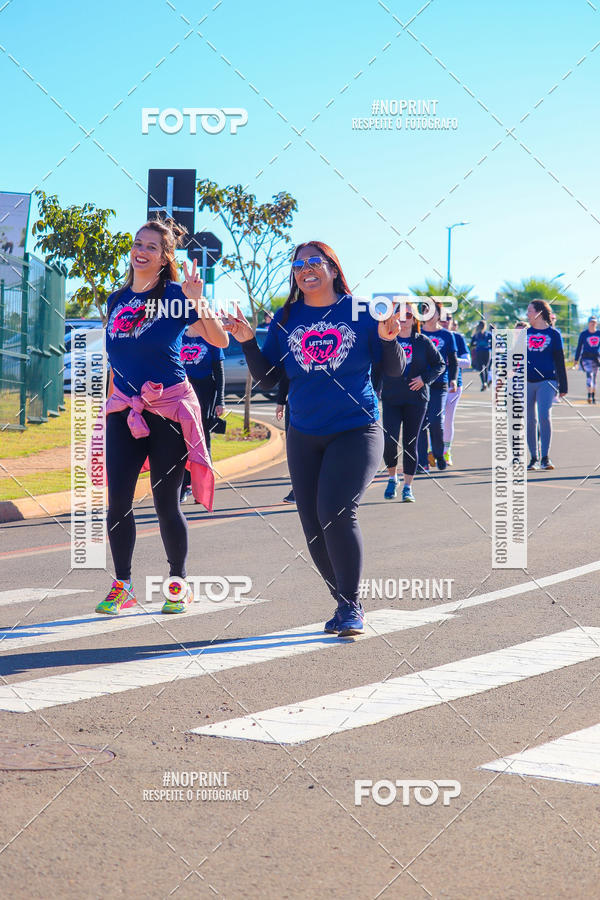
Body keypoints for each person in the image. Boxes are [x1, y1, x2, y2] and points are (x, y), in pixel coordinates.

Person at [223, 240, 405, 638]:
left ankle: (353, 605)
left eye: (314, 262)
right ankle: (342, 604)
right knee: (313, 524)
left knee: (337, 510)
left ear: (333, 268)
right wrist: (249, 341)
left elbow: (393, 371)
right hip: (303, 433)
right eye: (298, 264)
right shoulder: (288, 317)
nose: (305, 269)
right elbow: (272, 381)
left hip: (356, 427)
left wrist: (390, 339)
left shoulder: (361, 312)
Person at [96, 218, 228, 616]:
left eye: (152, 246)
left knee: (165, 500)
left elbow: (219, 339)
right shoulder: (116, 299)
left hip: (168, 409)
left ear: (165, 256)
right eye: (138, 243)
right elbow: (118, 357)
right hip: (125, 409)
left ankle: (178, 582)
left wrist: (197, 299)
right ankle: (123, 584)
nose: (142, 251)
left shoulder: (175, 295)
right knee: (117, 499)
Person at [373, 301, 444, 501]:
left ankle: (408, 487)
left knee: (410, 443)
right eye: (400, 316)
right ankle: (392, 478)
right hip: (391, 398)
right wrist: (374, 390)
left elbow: (440, 364)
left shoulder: (422, 341)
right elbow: (376, 368)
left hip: (416, 400)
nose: (404, 320)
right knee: (390, 441)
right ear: (394, 317)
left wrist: (424, 379)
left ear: (414, 320)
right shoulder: (386, 340)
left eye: (409, 316)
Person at [179, 330, 225, 502]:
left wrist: (220, 400)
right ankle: (185, 485)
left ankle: (203, 488)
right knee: (183, 439)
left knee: (203, 439)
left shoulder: (211, 337)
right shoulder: (179, 335)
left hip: (206, 392)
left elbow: (219, 371)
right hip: (183, 391)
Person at [526, 299, 568, 470]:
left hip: (547, 381)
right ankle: (533, 458)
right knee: (530, 420)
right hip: (527, 382)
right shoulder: (524, 334)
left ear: (539, 313)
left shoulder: (554, 334)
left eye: (530, 311)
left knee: (544, 416)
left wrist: (563, 386)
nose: (527, 314)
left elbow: (560, 360)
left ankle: (545, 457)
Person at [417, 301, 458, 472]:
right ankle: (422, 462)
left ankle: (439, 454)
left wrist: (453, 379)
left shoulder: (447, 336)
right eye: (426, 311)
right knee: (419, 423)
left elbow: (453, 361)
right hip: (418, 384)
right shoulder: (417, 333)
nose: (429, 314)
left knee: (435, 421)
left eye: (433, 311)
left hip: (439, 384)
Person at [441, 314, 470, 465]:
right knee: (432, 420)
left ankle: (446, 451)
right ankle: (433, 450)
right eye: (441, 318)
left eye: (448, 318)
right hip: (431, 384)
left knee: (447, 420)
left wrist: (453, 360)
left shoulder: (457, 338)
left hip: (453, 385)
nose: (445, 322)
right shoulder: (429, 335)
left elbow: (468, 362)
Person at [275, 371, 295, 503]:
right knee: (294, 449)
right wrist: (281, 401)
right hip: (295, 403)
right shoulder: (292, 350)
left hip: (324, 403)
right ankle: (298, 490)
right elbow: (286, 372)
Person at [574, 316, 600, 404]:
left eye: (594, 322)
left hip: (596, 358)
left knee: (594, 377)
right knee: (590, 375)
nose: (593, 324)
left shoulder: (599, 333)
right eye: (591, 322)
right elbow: (579, 347)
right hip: (586, 358)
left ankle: (593, 396)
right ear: (588, 323)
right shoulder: (584, 334)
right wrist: (576, 359)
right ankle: (589, 395)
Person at [470, 320, 492, 390]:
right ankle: (486, 381)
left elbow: (472, 344)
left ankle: (484, 382)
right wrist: (489, 346)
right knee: (486, 367)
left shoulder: (476, 335)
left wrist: (477, 344)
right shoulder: (488, 334)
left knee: (481, 368)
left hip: (479, 351)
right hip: (487, 351)